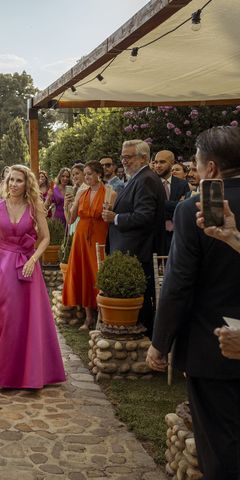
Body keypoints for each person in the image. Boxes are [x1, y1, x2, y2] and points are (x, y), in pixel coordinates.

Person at [147, 126, 240, 479]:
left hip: (211, 342)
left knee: (220, 446)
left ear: (212, 169)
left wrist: (160, 343)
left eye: (198, 165)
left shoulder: (193, 210)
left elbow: (178, 284)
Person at [0, 165, 66, 389]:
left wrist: (33, 259)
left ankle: (27, 370)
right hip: (1, 265)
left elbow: (46, 238)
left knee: (25, 319)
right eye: (11, 180)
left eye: (19, 180)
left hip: (27, 267)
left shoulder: (35, 206)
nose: (14, 184)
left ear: (27, 183)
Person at [101, 139, 165, 334]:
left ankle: (144, 341)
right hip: (130, 250)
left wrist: (116, 217)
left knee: (141, 304)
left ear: (144, 157)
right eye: (122, 157)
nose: (124, 161)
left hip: (139, 252)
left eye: (128, 157)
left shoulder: (146, 179)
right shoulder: (136, 178)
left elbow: (145, 216)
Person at [62, 161, 113, 330]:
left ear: (99, 174)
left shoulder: (109, 192)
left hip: (99, 237)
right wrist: (66, 205)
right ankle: (88, 317)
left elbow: (109, 217)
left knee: (97, 274)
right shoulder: (81, 193)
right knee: (83, 273)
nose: (86, 177)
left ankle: (102, 316)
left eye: (89, 173)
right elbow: (70, 220)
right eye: (85, 174)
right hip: (80, 238)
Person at [153, 150, 191, 253]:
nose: (158, 165)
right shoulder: (150, 184)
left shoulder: (183, 184)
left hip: (178, 234)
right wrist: (177, 204)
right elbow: (152, 208)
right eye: (155, 162)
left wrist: (160, 203)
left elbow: (185, 209)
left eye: (162, 162)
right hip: (157, 235)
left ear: (172, 163)